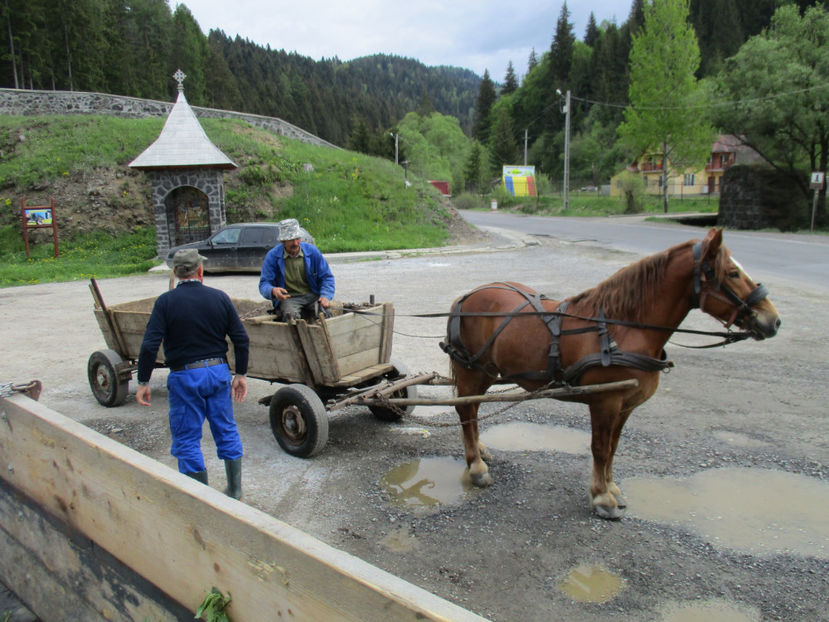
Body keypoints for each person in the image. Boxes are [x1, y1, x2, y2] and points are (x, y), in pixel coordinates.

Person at [136, 248, 249, 500]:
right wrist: (240, 374)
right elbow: (241, 339)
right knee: (226, 429)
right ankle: (235, 491)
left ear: (176, 273)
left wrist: (143, 381)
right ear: (200, 271)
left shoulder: (165, 302)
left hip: (186, 376)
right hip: (218, 372)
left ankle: (202, 499)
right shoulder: (219, 297)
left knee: (187, 438)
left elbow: (149, 345)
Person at [258, 218, 335, 321]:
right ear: (283, 241)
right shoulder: (273, 256)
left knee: (326, 313)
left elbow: (326, 277)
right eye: (291, 240)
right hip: (289, 298)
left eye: (297, 238)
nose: (295, 243)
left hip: (311, 295)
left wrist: (325, 295)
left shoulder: (312, 252)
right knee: (291, 317)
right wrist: (273, 291)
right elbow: (264, 284)